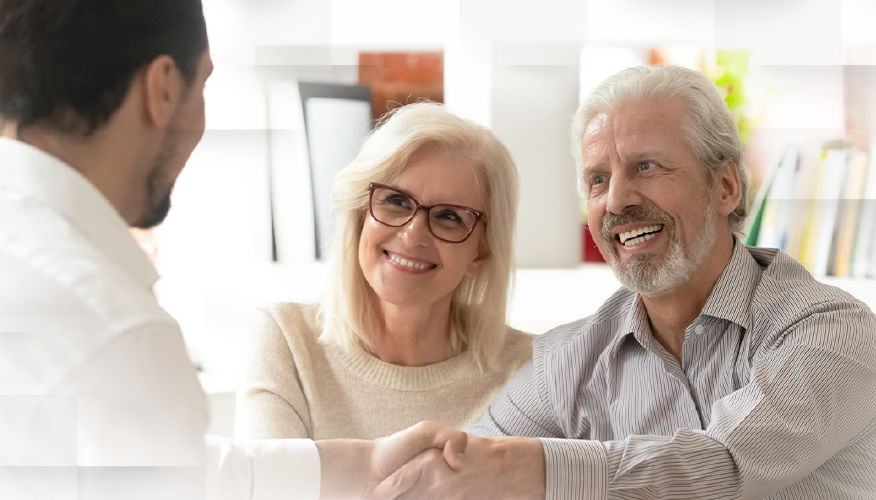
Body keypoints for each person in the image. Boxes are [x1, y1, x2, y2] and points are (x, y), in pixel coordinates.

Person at [0, 1, 464, 499]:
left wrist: (366, 464)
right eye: (202, 87)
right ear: (161, 89)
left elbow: (173, 468)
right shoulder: (112, 328)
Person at [384, 65, 876, 499]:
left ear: (725, 186)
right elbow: (461, 473)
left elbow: (721, 466)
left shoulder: (832, 330)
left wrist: (521, 467)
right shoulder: (567, 361)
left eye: (647, 166)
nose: (616, 201)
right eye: (597, 179)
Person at [234, 102, 534, 441]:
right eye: (395, 201)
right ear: (361, 214)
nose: (412, 234)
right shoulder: (287, 341)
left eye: (449, 216)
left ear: (481, 251)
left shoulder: (531, 370)